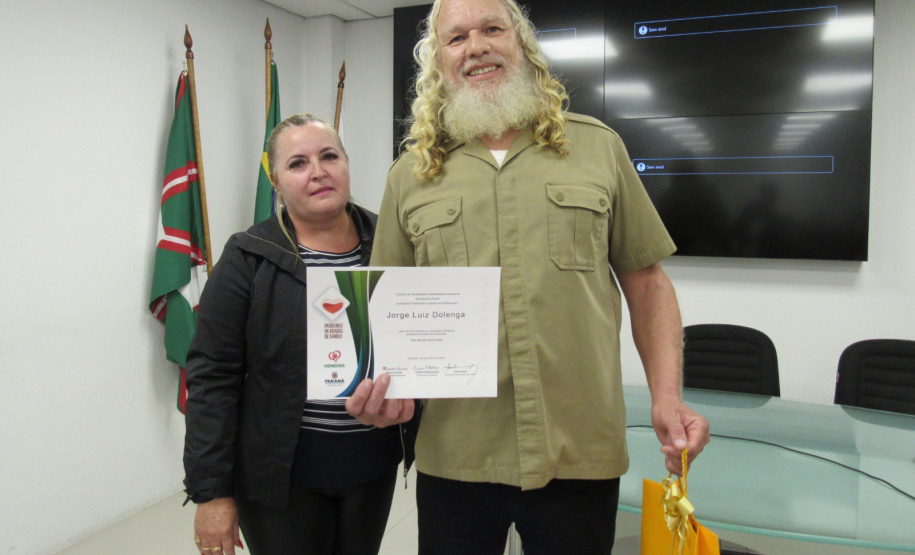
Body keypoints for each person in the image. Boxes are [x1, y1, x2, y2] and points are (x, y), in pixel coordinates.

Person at [345, 0, 710, 553]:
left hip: (578, 447)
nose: (477, 47)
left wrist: (667, 396)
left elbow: (648, 283)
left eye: (493, 29)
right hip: (456, 453)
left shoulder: (598, 148)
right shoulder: (411, 175)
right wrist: (376, 393)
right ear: (438, 62)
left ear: (523, 44)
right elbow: (387, 308)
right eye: (457, 37)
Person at [183, 114, 419, 555]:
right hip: (279, 478)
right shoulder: (248, 258)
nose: (318, 171)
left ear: (346, 163)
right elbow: (212, 378)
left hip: (371, 468)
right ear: (276, 180)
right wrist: (211, 492)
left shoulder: (394, 243)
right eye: (298, 163)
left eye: (329, 156)